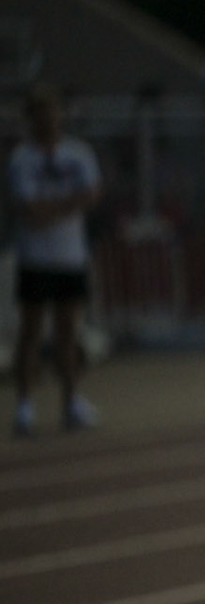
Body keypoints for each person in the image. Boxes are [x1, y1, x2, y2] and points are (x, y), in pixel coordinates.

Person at [9, 82, 102, 435]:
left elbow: (91, 194)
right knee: (30, 332)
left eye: (52, 111)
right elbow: (29, 210)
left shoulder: (78, 153)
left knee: (68, 332)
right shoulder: (23, 159)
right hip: (36, 258)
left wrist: (52, 208)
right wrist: (68, 203)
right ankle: (24, 405)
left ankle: (71, 401)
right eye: (40, 113)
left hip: (70, 256)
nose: (48, 119)